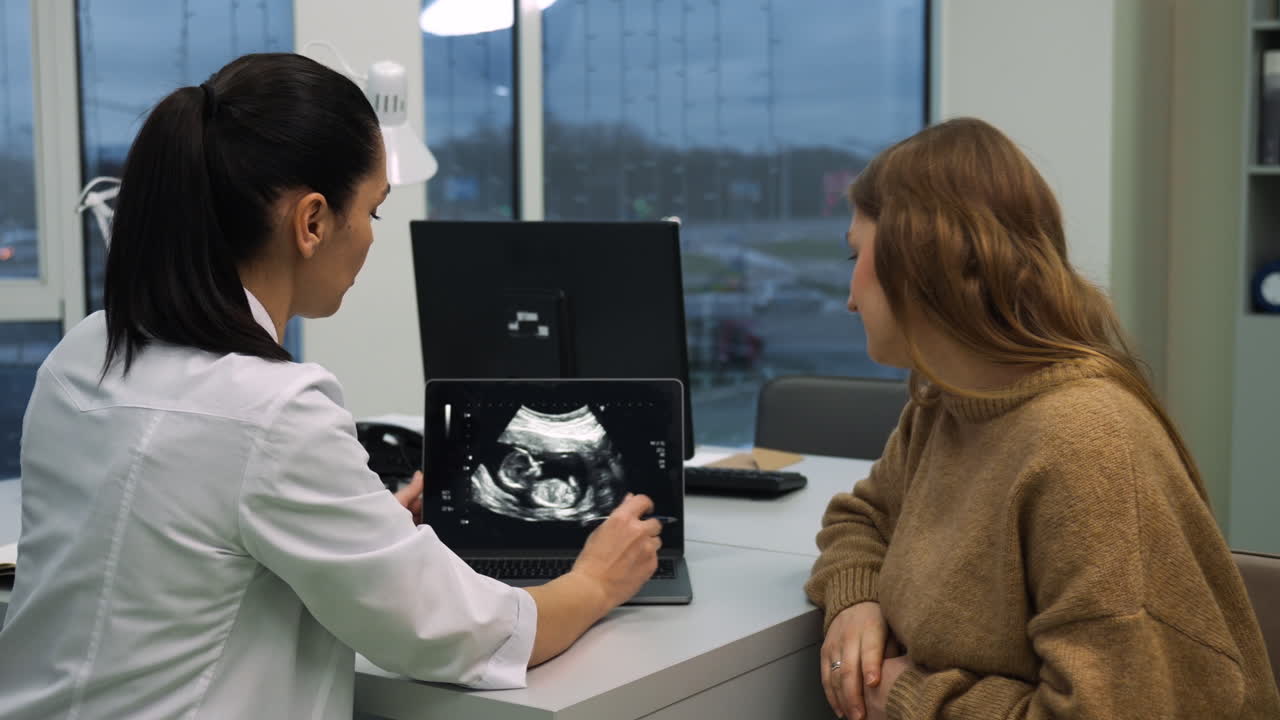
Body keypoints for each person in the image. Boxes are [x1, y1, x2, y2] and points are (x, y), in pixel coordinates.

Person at [0, 53, 662, 719]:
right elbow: (456, 633)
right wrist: (596, 582)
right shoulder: (270, 411)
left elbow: (172, 554)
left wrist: (362, 529)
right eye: (373, 210)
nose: (372, 237)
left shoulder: (83, 353)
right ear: (312, 222)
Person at [805, 117, 1280, 720]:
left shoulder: (1085, 444)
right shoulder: (946, 402)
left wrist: (909, 696)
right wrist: (855, 602)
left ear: (920, 258)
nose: (849, 296)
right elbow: (863, 516)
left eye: (856, 254)